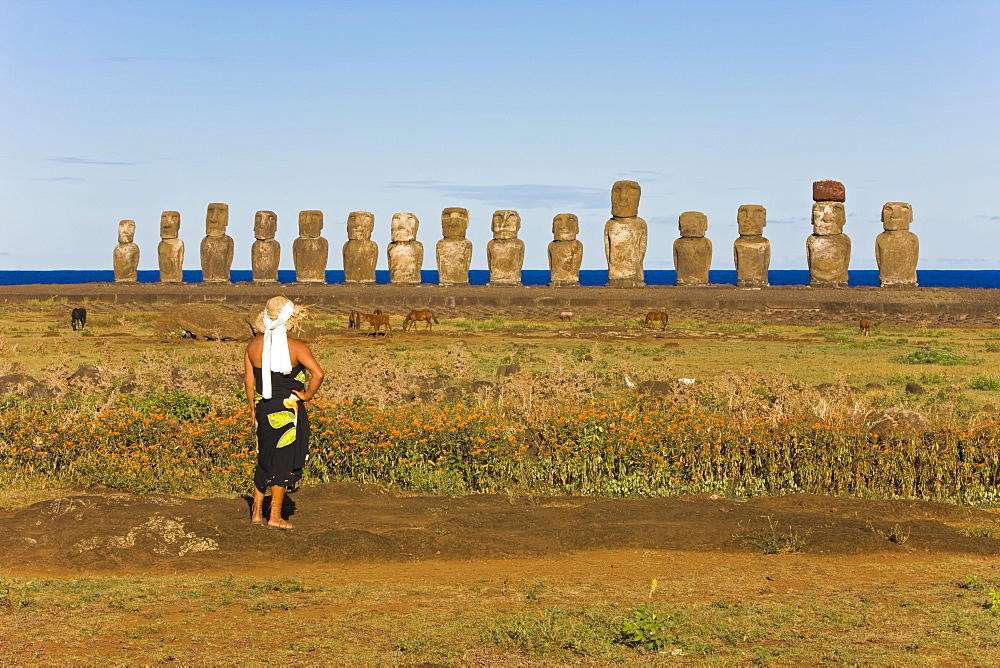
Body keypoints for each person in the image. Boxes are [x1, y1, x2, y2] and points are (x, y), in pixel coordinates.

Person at [244, 296, 325, 529]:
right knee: (283, 460)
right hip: (288, 410)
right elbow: (318, 374)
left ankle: (257, 511)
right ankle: (275, 516)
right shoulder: (297, 348)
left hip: (264, 407)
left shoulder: (253, 346)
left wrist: (252, 408)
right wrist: (307, 395)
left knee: (265, 457)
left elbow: (249, 382)